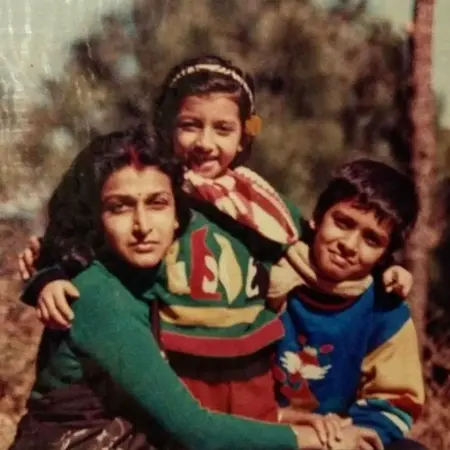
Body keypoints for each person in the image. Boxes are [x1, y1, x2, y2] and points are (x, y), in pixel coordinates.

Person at [18, 55, 405, 447]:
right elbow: (70, 240)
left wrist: (385, 271)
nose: (205, 143)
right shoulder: (155, 197)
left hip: (245, 371)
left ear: (243, 136)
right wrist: (48, 274)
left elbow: (323, 250)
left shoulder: (261, 206)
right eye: (190, 126)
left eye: (222, 129)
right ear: (167, 126)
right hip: (176, 377)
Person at [11, 128, 328, 450]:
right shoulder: (95, 294)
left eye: (157, 203)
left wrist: (286, 418)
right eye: (120, 207)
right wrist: (314, 441)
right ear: (97, 216)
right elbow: (196, 430)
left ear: (178, 215)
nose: (142, 226)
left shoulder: (157, 277)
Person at [273, 159, 426, 450]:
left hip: (339, 441)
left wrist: (351, 436)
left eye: (371, 239)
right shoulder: (272, 275)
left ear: (384, 256)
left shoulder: (385, 312)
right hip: (266, 430)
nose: (349, 245)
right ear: (317, 217)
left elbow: (394, 402)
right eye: (343, 223)